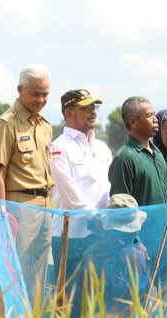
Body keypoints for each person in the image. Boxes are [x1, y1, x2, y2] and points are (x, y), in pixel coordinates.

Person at [0, 64, 54, 302]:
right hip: (20, 206)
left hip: (46, 205)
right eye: (35, 93)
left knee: (38, 274)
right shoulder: (7, 123)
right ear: (20, 90)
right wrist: (2, 215)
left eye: (45, 94)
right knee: (14, 273)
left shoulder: (45, 125)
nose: (41, 99)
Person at [50, 89, 112, 281]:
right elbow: (69, 193)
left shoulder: (101, 147)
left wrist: (108, 218)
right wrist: (97, 218)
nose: (93, 112)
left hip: (102, 233)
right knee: (71, 299)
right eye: (86, 108)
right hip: (71, 236)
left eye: (94, 107)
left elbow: (108, 187)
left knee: (98, 297)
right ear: (68, 113)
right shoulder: (59, 146)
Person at [108, 96, 167, 206]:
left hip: (165, 223)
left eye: (154, 114)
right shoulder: (124, 158)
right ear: (133, 122)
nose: (155, 119)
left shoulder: (158, 153)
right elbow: (121, 209)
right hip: (144, 224)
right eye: (149, 115)